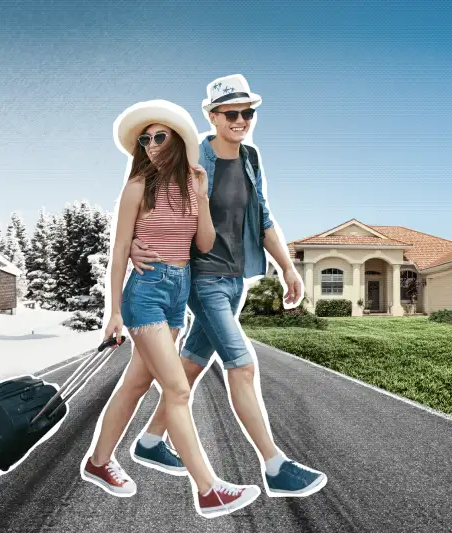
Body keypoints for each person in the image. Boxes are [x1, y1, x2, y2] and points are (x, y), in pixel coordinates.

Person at [128, 75, 328, 497]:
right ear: (212, 116)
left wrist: (288, 268)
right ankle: (274, 465)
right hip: (202, 279)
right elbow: (149, 194)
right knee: (242, 363)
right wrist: (130, 244)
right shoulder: (192, 154)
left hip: (235, 279)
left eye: (248, 112)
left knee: (191, 365)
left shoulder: (251, 158)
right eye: (231, 113)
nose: (241, 120)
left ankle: (149, 442)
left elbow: (263, 216)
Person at [80, 99, 261, 518]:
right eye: (144, 140)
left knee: (136, 385)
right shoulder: (137, 187)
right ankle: (209, 488)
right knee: (177, 389)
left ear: (177, 140)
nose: (151, 145)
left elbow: (203, 244)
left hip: (177, 290)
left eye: (158, 136)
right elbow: (120, 250)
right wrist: (114, 313)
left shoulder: (191, 185)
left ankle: (97, 462)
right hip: (145, 291)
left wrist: (200, 195)